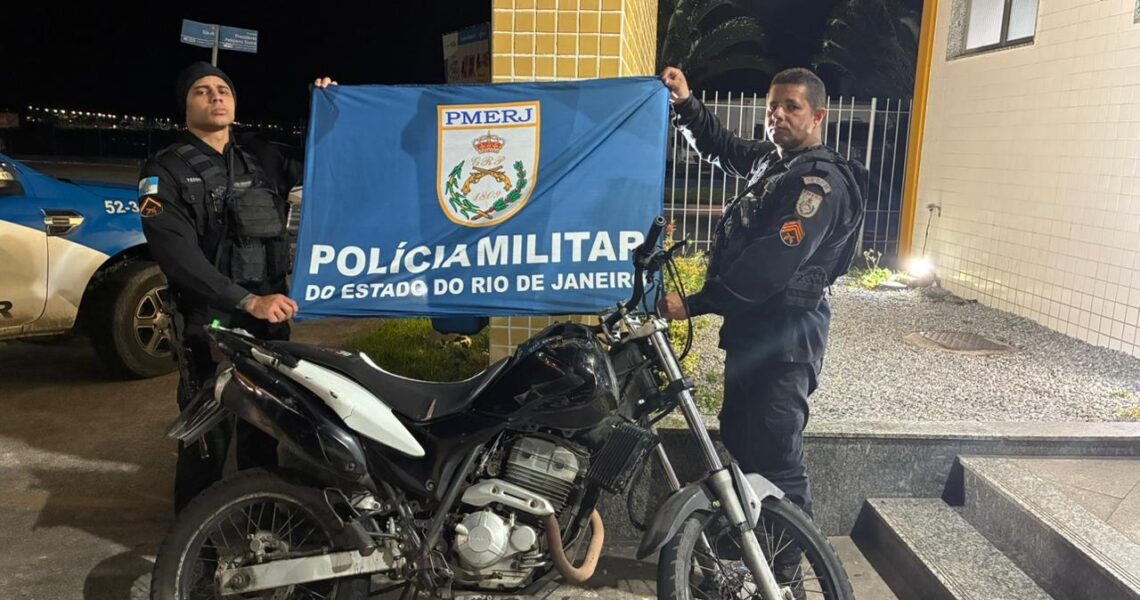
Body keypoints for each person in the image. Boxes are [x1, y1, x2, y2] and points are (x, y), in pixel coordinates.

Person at [657, 66, 865, 522]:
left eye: (792, 106)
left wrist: (694, 304)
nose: (778, 115)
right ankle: (751, 553)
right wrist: (686, 104)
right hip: (753, 338)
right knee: (743, 446)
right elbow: (722, 148)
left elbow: (771, 264)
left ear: (817, 116)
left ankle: (788, 577)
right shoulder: (774, 163)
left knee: (778, 462)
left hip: (786, 345)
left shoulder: (817, 184)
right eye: (773, 106)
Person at [138, 61, 335, 512]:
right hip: (210, 327)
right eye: (202, 91)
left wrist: (330, 110)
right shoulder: (163, 171)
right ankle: (195, 554)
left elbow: (328, 162)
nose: (216, 96)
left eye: (223, 89)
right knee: (206, 443)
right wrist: (247, 300)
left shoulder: (261, 157)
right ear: (185, 106)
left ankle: (262, 533)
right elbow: (177, 256)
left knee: (265, 433)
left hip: (269, 325)